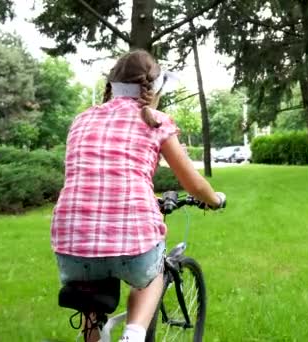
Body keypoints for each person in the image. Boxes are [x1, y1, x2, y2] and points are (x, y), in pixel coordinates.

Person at [50, 50, 226, 342]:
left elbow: (93, 173)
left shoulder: (82, 120)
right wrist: (215, 200)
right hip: (132, 240)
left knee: (90, 305)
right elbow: (194, 185)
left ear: (111, 85)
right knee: (152, 276)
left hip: (71, 241)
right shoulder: (156, 121)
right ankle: (133, 336)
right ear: (153, 89)